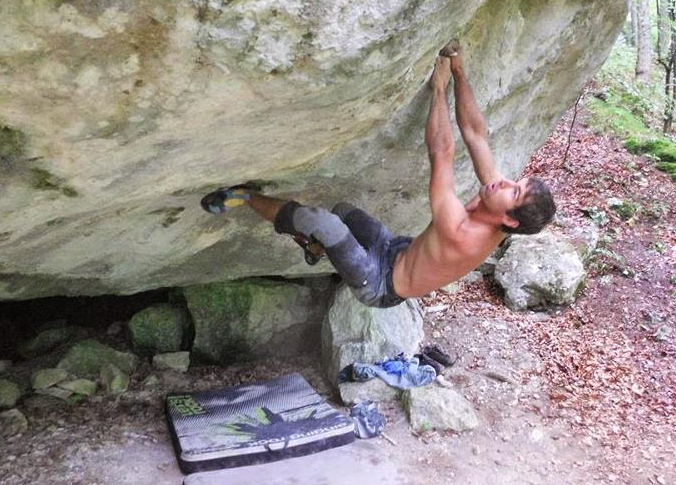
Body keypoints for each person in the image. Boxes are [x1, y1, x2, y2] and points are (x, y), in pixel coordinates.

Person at [201, 40, 556, 307]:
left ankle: (245, 196)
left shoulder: (462, 233)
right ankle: (314, 246)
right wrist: (459, 71)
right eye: (516, 182)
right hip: (395, 248)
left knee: (324, 222)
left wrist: (439, 88)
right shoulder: (497, 201)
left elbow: (441, 153)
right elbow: (476, 134)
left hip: (380, 283)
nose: (504, 181)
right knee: (342, 212)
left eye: (514, 191)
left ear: (509, 220)